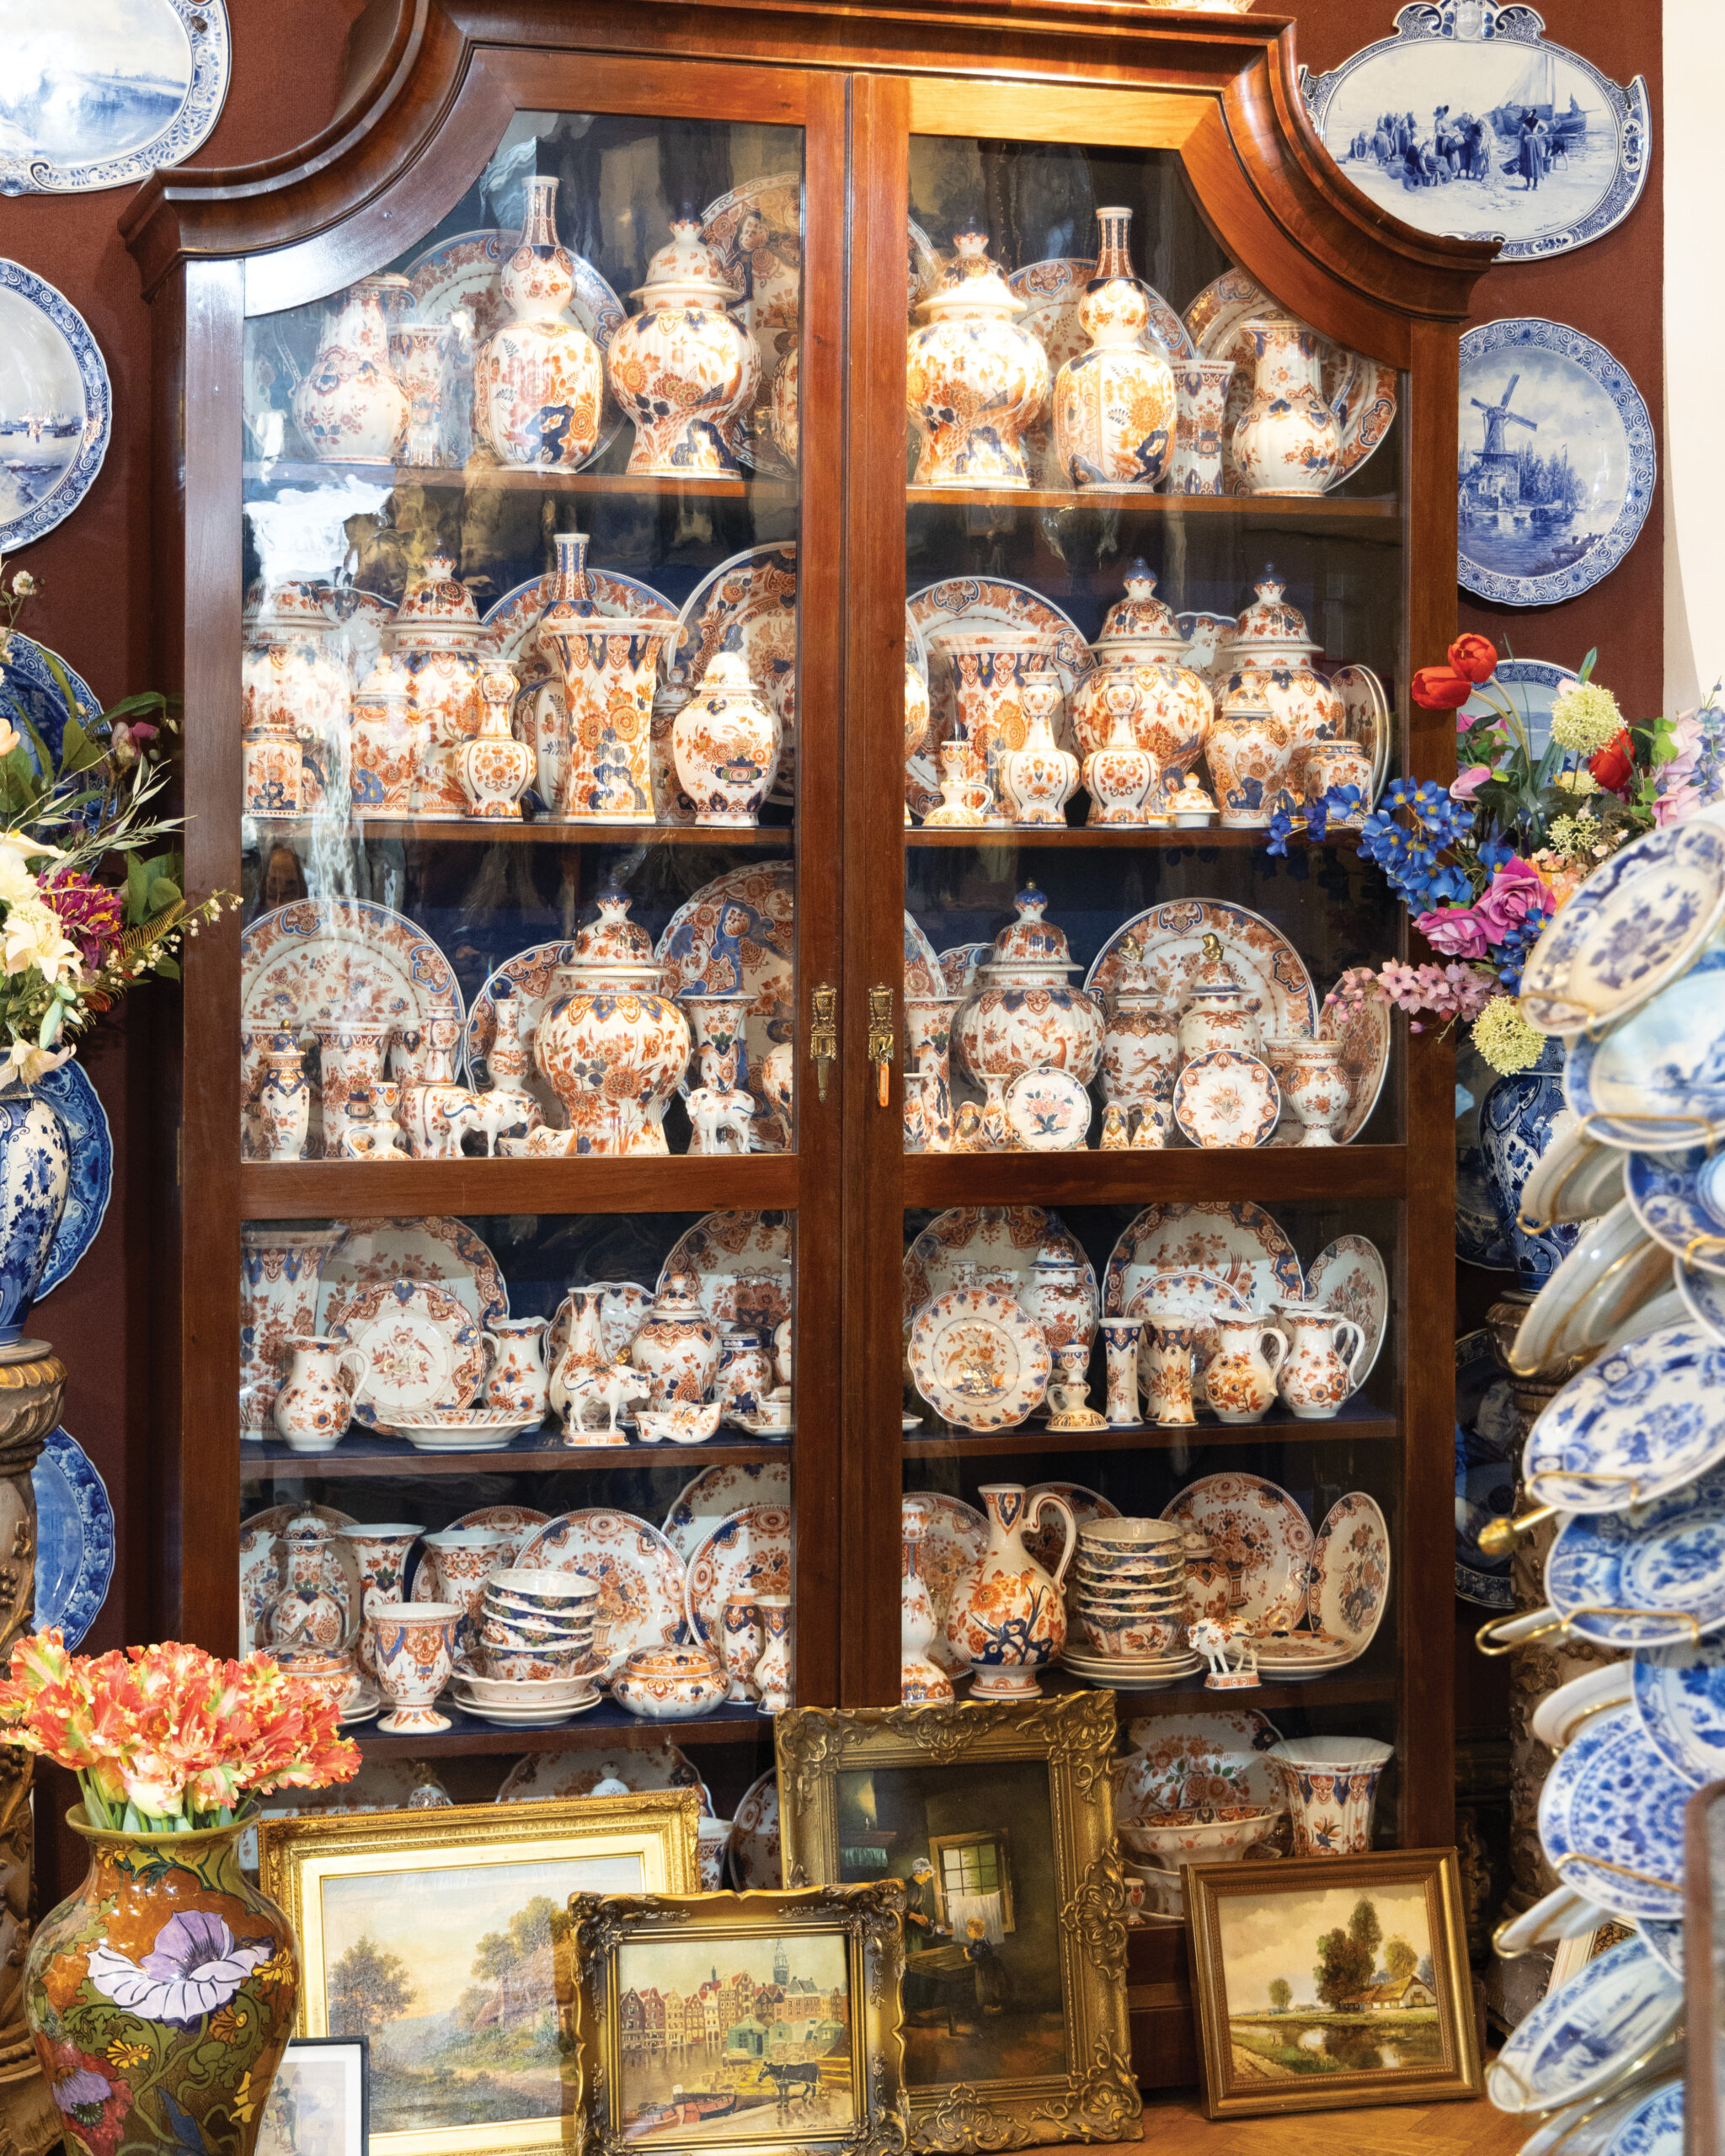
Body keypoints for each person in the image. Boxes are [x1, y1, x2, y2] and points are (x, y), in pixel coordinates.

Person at [963, 1918, 1009, 2015]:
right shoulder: (984, 1939)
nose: (967, 1931)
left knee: (987, 1987)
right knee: (994, 1986)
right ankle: (995, 2006)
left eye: (969, 1930)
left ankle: (992, 2007)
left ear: (976, 1932)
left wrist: (966, 1952)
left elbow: (970, 1958)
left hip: (985, 1969)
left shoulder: (979, 1944)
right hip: (993, 1966)